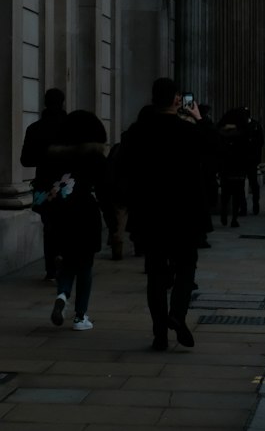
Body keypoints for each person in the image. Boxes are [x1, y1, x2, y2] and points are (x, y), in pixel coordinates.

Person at [118, 78, 211, 351]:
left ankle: (160, 333)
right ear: (175, 100)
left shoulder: (136, 132)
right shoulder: (189, 131)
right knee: (185, 267)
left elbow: (123, 168)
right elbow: (212, 149)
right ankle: (177, 315)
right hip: (185, 212)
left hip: (150, 213)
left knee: (155, 274)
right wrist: (199, 118)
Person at [35, 109, 111, 332]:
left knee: (67, 262)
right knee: (85, 267)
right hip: (86, 215)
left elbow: (42, 184)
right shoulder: (96, 157)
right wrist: (113, 221)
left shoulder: (53, 155)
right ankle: (80, 316)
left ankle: (62, 295)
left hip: (60, 215)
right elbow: (106, 190)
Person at [21, 88, 69, 281]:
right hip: (67, 184)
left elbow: (26, 160)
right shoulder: (71, 128)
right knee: (66, 223)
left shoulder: (34, 129)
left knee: (49, 225)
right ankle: (65, 259)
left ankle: (51, 268)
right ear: (63, 103)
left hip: (44, 185)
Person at [216, 109, 251, 227]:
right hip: (239, 167)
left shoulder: (221, 132)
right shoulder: (244, 133)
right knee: (237, 194)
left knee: (225, 193)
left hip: (225, 167)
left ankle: (224, 214)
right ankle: (234, 218)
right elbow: (247, 152)